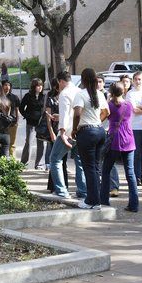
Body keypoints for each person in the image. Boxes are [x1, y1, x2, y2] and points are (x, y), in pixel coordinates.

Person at [71, 68, 109, 209]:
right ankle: (96, 199)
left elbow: (77, 114)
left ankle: (92, 201)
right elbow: (107, 112)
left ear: (83, 79)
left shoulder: (81, 94)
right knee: (95, 167)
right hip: (99, 131)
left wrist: (75, 129)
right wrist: (97, 121)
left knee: (89, 168)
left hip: (87, 133)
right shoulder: (99, 93)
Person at [100, 82, 139, 212]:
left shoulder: (109, 105)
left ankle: (104, 201)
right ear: (123, 91)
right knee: (130, 173)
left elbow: (102, 118)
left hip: (114, 140)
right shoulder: (129, 105)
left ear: (111, 92)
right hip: (128, 139)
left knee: (106, 171)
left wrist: (107, 99)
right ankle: (134, 204)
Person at [48, 71, 87, 199]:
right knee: (79, 161)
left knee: (54, 159)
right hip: (80, 130)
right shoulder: (79, 91)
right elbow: (75, 112)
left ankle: (61, 191)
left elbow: (66, 114)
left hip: (68, 132)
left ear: (60, 81)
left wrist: (62, 132)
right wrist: (58, 117)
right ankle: (82, 191)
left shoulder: (64, 94)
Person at [19, 78, 46, 169]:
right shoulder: (28, 96)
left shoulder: (44, 96)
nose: (40, 87)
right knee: (29, 142)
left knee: (40, 143)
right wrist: (26, 116)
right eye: (38, 86)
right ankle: (24, 163)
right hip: (30, 123)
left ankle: (38, 164)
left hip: (41, 123)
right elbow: (21, 107)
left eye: (41, 85)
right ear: (34, 87)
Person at [3, 80, 21, 157]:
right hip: (2, 123)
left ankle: (12, 159)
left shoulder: (14, 97)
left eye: (9, 85)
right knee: (3, 142)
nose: (7, 87)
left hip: (12, 122)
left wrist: (17, 120)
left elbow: (17, 110)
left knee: (12, 143)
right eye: (5, 85)